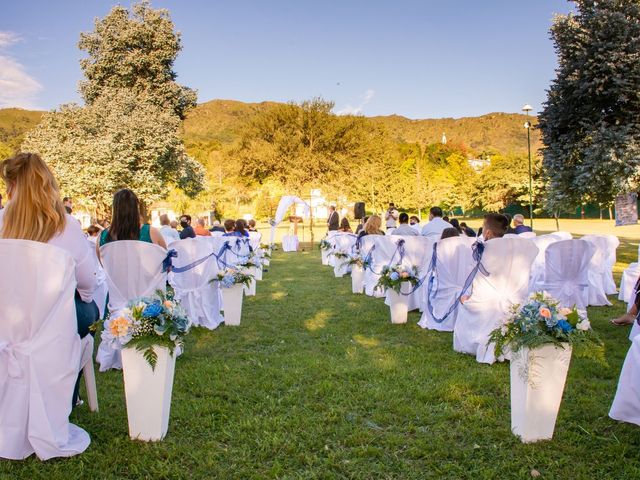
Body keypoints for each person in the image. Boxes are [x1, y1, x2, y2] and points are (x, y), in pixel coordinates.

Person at [0, 153, 98, 406]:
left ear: (11, 187)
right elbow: (88, 283)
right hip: (51, 326)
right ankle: (69, 393)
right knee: (92, 308)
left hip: (6, 326)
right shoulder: (66, 225)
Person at [98, 189, 167, 257]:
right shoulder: (151, 232)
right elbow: (166, 261)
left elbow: (103, 264)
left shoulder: (102, 236)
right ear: (136, 208)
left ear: (115, 209)